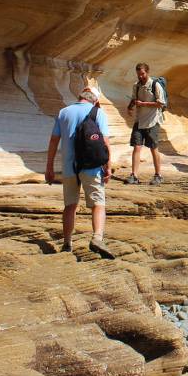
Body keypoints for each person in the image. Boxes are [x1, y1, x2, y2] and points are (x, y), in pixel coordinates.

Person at [45, 85, 114, 257]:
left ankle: (67, 243)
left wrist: (49, 167)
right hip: (91, 167)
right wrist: (108, 166)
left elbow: (53, 142)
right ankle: (97, 237)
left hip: (69, 168)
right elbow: (105, 142)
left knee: (70, 206)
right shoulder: (98, 113)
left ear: (79, 96)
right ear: (95, 100)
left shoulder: (63, 112)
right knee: (98, 204)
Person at [125, 62, 165, 186]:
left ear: (147, 72)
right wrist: (130, 107)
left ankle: (158, 175)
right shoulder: (136, 85)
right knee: (136, 147)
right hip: (139, 121)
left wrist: (143, 104)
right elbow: (133, 98)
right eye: (138, 74)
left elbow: (161, 103)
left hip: (152, 121)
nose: (140, 76)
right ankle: (134, 175)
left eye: (142, 74)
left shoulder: (155, 85)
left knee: (153, 148)